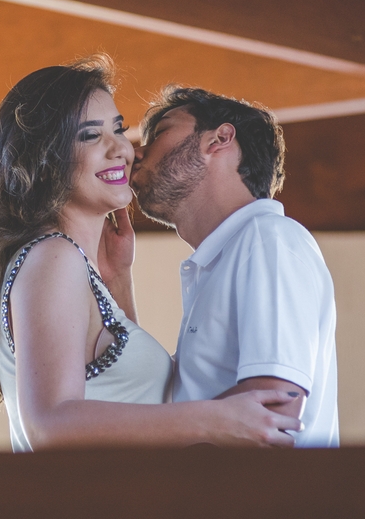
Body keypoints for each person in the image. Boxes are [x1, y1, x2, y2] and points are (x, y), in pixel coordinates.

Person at [0, 57, 302, 451]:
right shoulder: (54, 257)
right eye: (90, 135)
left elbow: (132, 402)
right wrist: (215, 419)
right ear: (44, 159)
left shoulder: (70, 264)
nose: (121, 148)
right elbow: (49, 425)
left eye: (118, 129)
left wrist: (118, 280)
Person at [124, 86, 339, 448]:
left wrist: (149, 454)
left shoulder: (268, 238)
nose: (136, 153)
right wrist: (117, 275)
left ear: (220, 139)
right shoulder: (224, 260)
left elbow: (275, 406)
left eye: (160, 133)